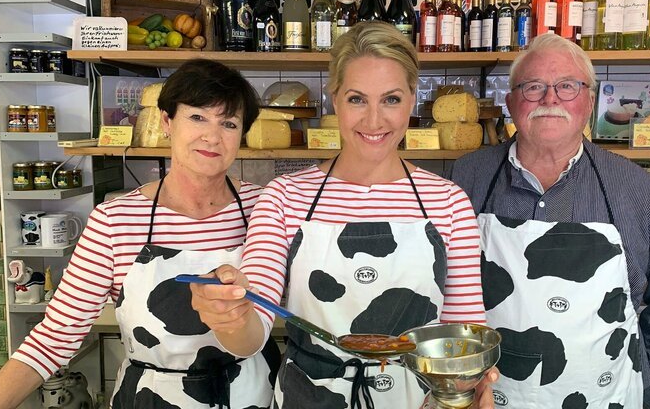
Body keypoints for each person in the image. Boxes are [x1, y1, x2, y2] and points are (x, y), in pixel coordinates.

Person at [189, 21, 497, 408]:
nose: (373, 120)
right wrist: (230, 316)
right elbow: (255, 329)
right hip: (310, 396)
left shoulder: (448, 201)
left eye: (391, 99)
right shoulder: (285, 197)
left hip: (415, 398)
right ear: (334, 99)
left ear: (412, 99)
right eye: (356, 99)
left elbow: (462, 331)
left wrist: (468, 385)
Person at [0, 60, 281, 409]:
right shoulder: (115, 219)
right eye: (197, 117)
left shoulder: (264, 206)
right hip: (151, 397)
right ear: (167, 121)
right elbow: (53, 337)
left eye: (228, 123)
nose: (212, 136)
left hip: (249, 394)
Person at [447, 33, 650, 409]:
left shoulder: (639, 193)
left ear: (589, 101)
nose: (550, 99)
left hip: (605, 399)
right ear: (510, 102)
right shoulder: (464, 178)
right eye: (533, 87)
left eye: (567, 86)